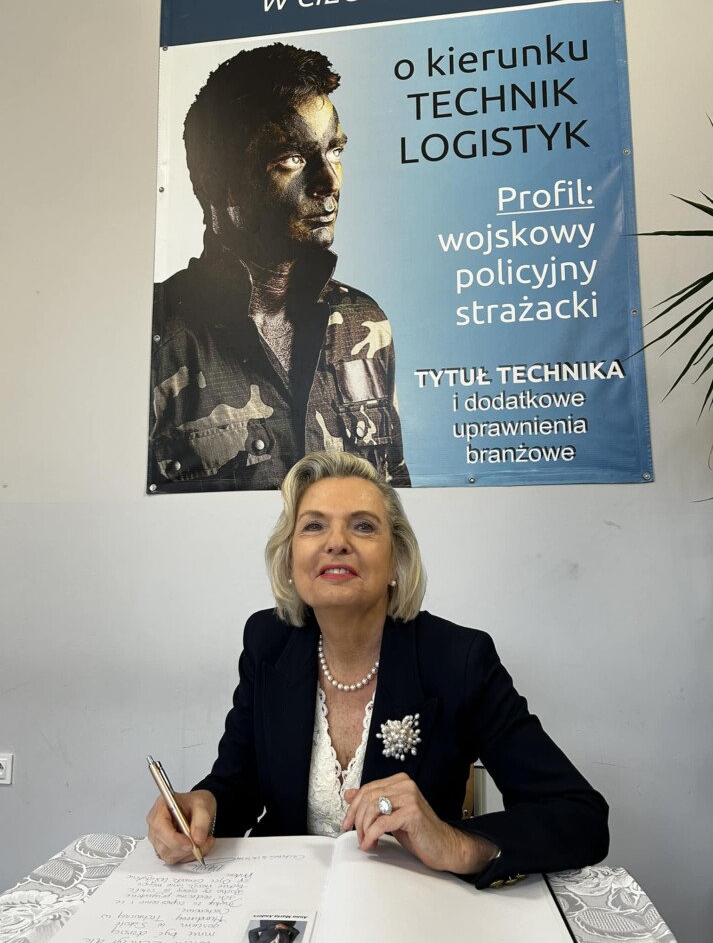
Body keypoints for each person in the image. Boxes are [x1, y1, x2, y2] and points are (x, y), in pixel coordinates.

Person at [147, 451, 608, 887]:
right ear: (289, 560)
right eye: (313, 526)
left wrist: (457, 844)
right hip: (284, 900)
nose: (336, 543)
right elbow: (238, 784)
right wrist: (203, 805)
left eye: (363, 526)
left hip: (408, 903)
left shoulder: (459, 658)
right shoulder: (267, 642)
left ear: (396, 561)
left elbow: (579, 815)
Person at [148, 44, 409, 493]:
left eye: (335, 150)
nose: (329, 182)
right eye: (292, 157)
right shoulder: (154, 335)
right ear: (217, 181)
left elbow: (395, 500)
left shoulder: (364, 322)